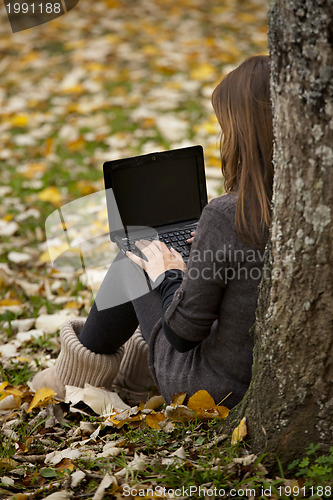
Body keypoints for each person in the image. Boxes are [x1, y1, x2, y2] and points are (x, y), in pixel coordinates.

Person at [31, 55, 273, 408]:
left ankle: (69, 377)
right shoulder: (301, 209)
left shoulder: (227, 215)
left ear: (242, 135)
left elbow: (183, 335)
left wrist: (171, 274)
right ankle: (131, 372)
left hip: (211, 389)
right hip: (250, 371)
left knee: (137, 258)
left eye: (226, 128)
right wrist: (201, 263)